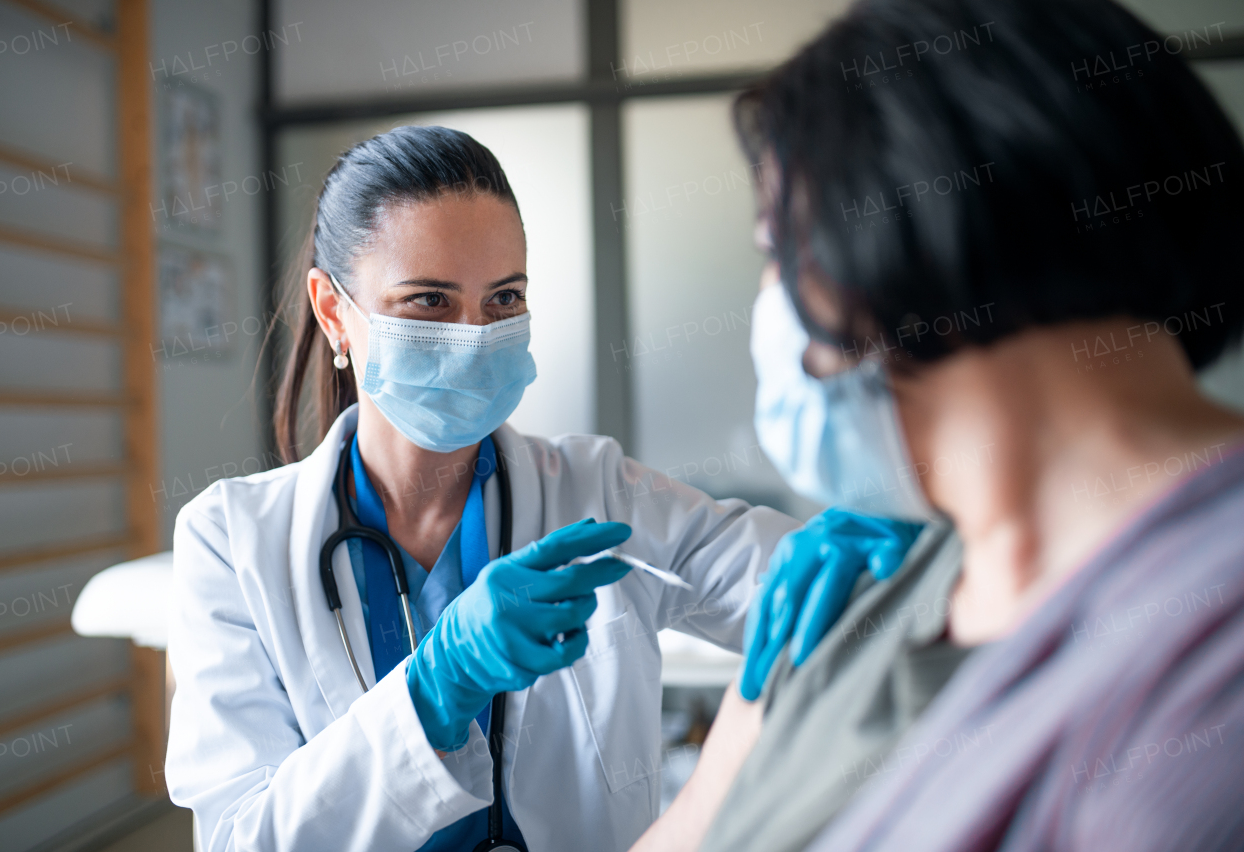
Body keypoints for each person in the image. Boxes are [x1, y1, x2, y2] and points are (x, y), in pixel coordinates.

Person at [639, 0, 1244, 850]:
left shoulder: (1204, 663)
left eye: (779, 250)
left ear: (909, 236)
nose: (772, 299)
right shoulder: (887, 583)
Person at [163, 125, 814, 852]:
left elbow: (794, 585)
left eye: (504, 298)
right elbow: (241, 840)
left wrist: (884, 543)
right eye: (429, 302)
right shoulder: (230, 541)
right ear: (332, 310)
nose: (475, 334)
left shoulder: (598, 491)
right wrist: (435, 690)